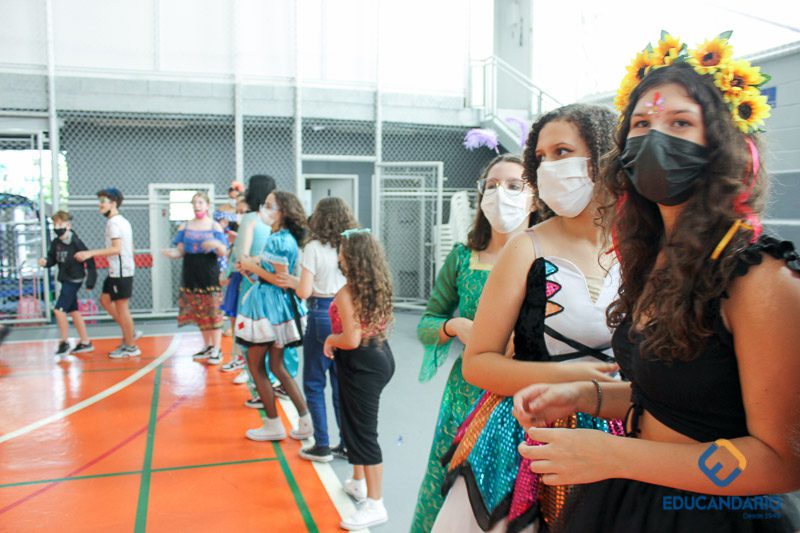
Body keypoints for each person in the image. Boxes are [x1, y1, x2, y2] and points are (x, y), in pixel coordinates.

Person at [513, 33, 800, 533]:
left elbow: (781, 461)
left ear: (724, 146)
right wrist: (584, 396)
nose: (654, 138)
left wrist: (614, 455)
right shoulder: (655, 259)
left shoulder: (758, 275)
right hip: (635, 499)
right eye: (642, 124)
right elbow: (679, 398)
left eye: (680, 123)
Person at [432, 103, 619, 533]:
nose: (549, 166)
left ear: (605, 156)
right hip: (526, 432)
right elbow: (478, 363)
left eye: (562, 152)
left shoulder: (638, 249)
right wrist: (572, 381)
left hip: (614, 435)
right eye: (541, 157)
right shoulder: (525, 249)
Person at [411, 154, 536, 532]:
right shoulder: (464, 258)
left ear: (534, 196)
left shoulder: (549, 258)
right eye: (492, 186)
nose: (501, 194)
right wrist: (456, 327)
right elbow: (427, 324)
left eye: (513, 185)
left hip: (527, 399)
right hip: (466, 394)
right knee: (453, 488)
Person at [276, 197, 357, 462]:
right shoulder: (351, 244)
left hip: (321, 312)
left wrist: (292, 281)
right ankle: (347, 444)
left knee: (313, 381)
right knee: (340, 383)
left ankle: (321, 444)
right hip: (347, 313)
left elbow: (304, 291)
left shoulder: (313, 247)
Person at [323, 229, 395, 530]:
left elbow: (350, 339)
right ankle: (358, 481)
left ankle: (376, 504)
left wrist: (330, 339)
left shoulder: (346, 293)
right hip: (378, 354)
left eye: (342, 250)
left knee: (364, 432)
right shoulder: (373, 286)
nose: (339, 255)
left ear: (351, 257)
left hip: (362, 363)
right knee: (353, 422)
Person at [236, 190, 312, 441]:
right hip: (274, 306)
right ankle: (305, 421)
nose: (264, 209)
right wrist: (252, 269)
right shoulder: (281, 236)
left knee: (256, 364)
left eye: (269, 205)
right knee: (277, 366)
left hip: (270, 309)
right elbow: (272, 276)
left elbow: (280, 279)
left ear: (283, 212)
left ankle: (273, 425)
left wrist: (251, 265)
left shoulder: (280, 239)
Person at [162, 192, 228, 363]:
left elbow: (223, 251)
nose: (197, 206)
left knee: (213, 310)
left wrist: (215, 244)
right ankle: (207, 346)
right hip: (191, 271)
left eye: (200, 202)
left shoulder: (214, 226)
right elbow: (180, 251)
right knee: (199, 311)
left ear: (207, 205)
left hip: (209, 271)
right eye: (194, 203)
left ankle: (217, 348)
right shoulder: (184, 227)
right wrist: (171, 253)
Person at [75, 188, 141, 358]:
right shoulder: (121, 221)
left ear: (113, 203)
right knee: (105, 300)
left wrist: (89, 253)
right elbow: (130, 246)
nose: (100, 205)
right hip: (116, 270)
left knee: (122, 308)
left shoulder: (114, 223)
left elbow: (116, 249)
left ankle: (131, 346)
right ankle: (130, 332)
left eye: (103, 202)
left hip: (121, 272)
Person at [38, 210, 97, 356]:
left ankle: (64, 342)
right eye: (55, 224)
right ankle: (85, 342)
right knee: (74, 311)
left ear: (68, 226)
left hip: (74, 279)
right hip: (65, 279)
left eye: (60, 224)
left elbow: (90, 260)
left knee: (59, 310)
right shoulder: (56, 243)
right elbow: (52, 259)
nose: (57, 227)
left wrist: (90, 281)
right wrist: (46, 262)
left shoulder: (76, 242)